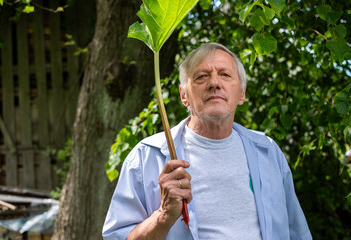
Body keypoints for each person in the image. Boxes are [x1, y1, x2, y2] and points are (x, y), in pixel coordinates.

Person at [102, 42, 312, 240]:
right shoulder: (146, 156)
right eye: (202, 76)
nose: (214, 83)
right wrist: (163, 215)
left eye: (225, 74)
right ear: (184, 95)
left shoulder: (268, 151)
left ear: (242, 93)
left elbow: (298, 233)